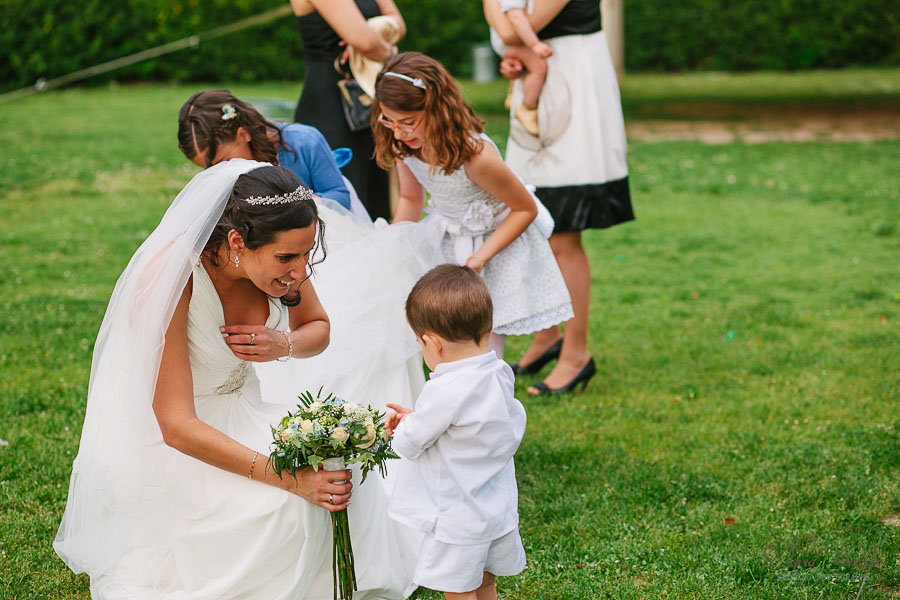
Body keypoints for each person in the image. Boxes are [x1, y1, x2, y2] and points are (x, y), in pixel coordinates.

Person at [54, 162, 420, 599]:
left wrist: (282, 343)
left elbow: (319, 328)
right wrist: (289, 479)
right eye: (287, 257)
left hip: (249, 411)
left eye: (307, 254)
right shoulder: (170, 278)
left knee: (343, 474)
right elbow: (175, 424)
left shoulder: (284, 267)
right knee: (290, 507)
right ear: (236, 241)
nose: (301, 271)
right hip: (180, 444)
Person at [373, 52, 573, 359]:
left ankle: (492, 402)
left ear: (436, 108)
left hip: (494, 247)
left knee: (482, 352)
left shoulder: (475, 156)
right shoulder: (405, 145)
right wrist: (396, 248)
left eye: (408, 122)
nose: (398, 132)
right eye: (390, 121)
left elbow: (525, 209)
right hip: (448, 243)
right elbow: (411, 199)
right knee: (441, 341)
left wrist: (479, 259)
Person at [485, 0, 635, 395]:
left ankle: (576, 353)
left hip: (573, 88)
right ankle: (546, 336)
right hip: (542, 85)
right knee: (530, 219)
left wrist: (508, 34)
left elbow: (511, 29)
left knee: (563, 229)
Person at [385, 264, 527, 600]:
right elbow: (475, 424)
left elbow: (413, 442)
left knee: (458, 589)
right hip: (495, 506)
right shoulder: (499, 372)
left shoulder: (445, 389)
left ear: (433, 344)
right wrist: (422, 417)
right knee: (485, 580)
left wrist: (405, 427)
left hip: (458, 516)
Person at [291, 0, 406, 220]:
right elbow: (365, 42)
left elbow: (398, 23)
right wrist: (387, 49)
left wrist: (375, 39)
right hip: (330, 102)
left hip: (368, 98)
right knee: (343, 195)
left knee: (375, 195)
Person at [177, 89, 354, 212]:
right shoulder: (227, 178)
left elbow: (341, 198)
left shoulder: (305, 142)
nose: (219, 171)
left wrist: (297, 205)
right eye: (209, 169)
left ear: (243, 133)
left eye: (222, 161)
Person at [487, 0, 554, 137]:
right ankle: (528, 108)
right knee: (538, 67)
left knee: (522, 64)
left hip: (510, 42)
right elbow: (516, 18)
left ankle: (512, 94)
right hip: (509, 43)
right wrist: (535, 44)